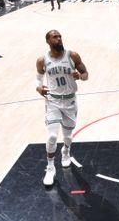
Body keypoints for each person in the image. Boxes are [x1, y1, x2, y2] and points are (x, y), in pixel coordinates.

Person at [35, 30, 88, 186]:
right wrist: (38, 88)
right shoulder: (42, 60)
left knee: (67, 136)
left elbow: (86, 74)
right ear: (48, 41)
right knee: (52, 136)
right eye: (55, 37)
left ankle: (66, 150)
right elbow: (38, 78)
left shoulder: (73, 56)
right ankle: (50, 167)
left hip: (70, 101)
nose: (58, 39)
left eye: (59, 36)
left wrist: (80, 76)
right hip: (53, 101)